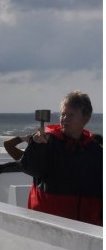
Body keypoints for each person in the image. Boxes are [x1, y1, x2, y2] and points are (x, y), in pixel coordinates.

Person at [18, 91, 102, 226]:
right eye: (63, 114)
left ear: (85, 119)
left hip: (87, 228)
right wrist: (36, 145)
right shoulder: (47, 141)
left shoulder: (94, 149)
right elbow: (29, 168)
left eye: (71, 115)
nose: (64, 119)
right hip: (50, 226)